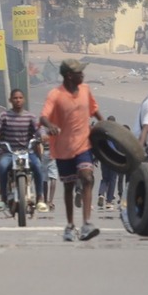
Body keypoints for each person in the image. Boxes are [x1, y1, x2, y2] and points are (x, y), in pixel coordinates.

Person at [40, 60, 105, 242]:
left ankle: (86, 224)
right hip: (63, 148)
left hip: (84, 145)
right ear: (69, 76)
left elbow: (95, 110)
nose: (83, 76)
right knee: (68, 186)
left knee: (87, 177)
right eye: (79, 73)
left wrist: (106, 126)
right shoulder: (55, 95)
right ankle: (70, 225)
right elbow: (43, 116)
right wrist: (50, 125)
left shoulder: (85, 90)